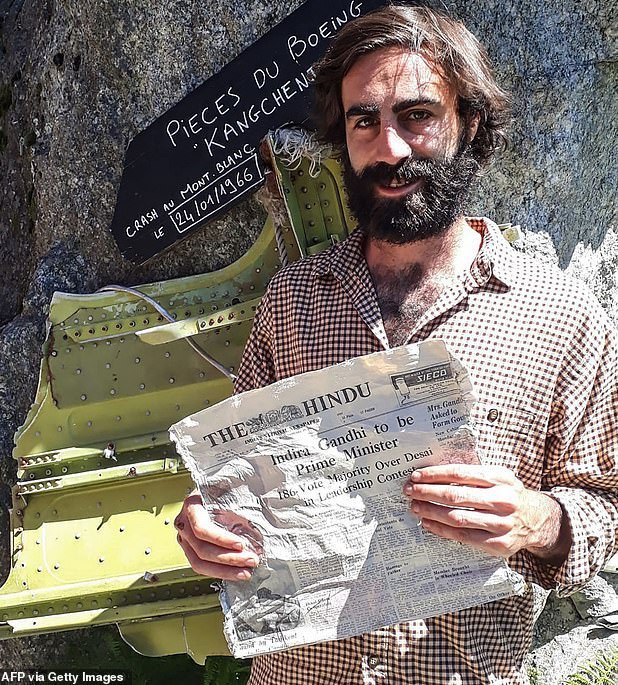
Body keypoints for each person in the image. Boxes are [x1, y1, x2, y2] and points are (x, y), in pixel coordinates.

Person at [174, 5, 618, 684]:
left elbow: (608, 506)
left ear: (469, 122)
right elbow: (235, 484)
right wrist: (206, 523)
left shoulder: (561, 315)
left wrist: (536, 520)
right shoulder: (292, 302)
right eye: (364, 122)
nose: (390, 148)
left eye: (417, 115)